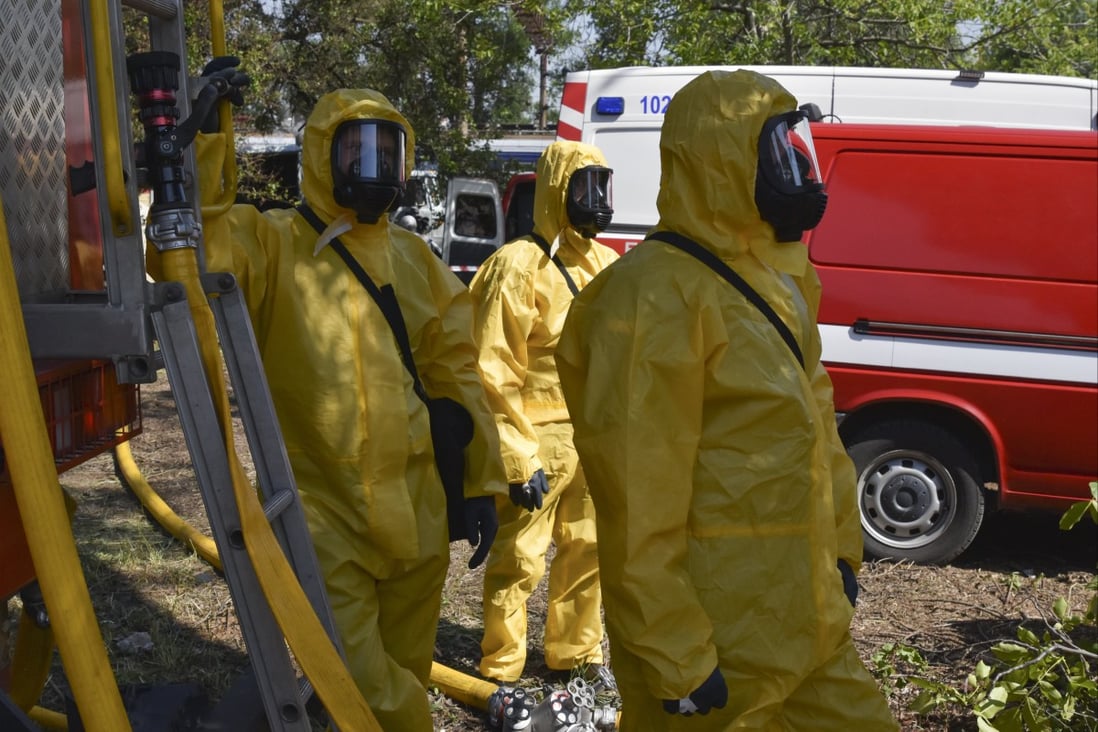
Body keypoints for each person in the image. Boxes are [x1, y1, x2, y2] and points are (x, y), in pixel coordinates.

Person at [149, 73, 507, 730]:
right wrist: (205, 144)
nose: (373, 167)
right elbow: (186, 249)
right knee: (369, 691)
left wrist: (483, 481)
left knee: (404, 669)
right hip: (321, 517)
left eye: (387, 152)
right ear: (321, 156)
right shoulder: (273, 242)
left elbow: (458, 374)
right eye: (355, 151)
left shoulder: (416, 260)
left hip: (419, 516)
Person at [554, 69, 899, 731]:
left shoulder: (776, 282)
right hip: (714, 636)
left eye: (795, 147)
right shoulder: (652, 297)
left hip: (805, 618)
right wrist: (674, 650)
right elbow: (636, 492)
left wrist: (841, 557)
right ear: (720, 162)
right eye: (775, 152)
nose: (794, 169)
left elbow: (816, 435)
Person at [470, 140, 619, 689]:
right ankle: (502, 667)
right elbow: (493, 368)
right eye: (585, 188)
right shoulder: (516, 267)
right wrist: (515, 455)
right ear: (558, 191)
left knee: (590, 549)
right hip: (538, 439)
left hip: (594, 439)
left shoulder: (607, 264)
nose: (597, 201)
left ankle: (576, 655)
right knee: (519, 559)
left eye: (603, 187)